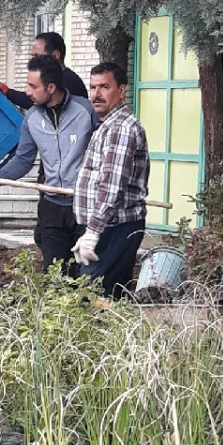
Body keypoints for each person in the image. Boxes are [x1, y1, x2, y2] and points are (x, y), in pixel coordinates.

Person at [0, 54, 98, 272]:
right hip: (52, 206)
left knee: (86, 274)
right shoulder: (32, 119)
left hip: (85, 206)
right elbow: (22, 160)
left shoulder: (86, 111)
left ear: (51, 87)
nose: (27, 92)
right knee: (54, 274)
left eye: (32, 86)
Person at [71, 62, 149, 297]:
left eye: (104, 87)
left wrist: (93, 232)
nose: (96, 94)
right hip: (108, 226)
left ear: (122, 90)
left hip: (114, 228)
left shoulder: (120, 129)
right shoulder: (109, 125)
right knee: (107, 296)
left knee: (92, 297)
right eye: (93, 87)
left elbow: (112, 186)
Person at [0, 31, 88, 110]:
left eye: (37, 56)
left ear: (56, 55)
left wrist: (9, 93)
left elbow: (36, 102)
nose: (34, 61)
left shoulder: (69, 82)